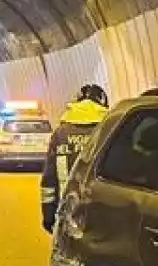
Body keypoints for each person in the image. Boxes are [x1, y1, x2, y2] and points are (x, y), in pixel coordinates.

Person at [41, 84, 110, 232]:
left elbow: (49, 177)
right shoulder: (108, 130)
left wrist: (48, 215)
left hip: (67, 210)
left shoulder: (61, 133)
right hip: (102, 211)